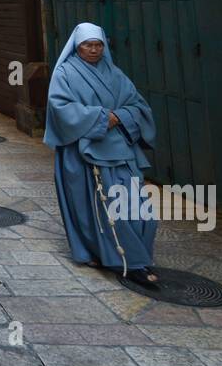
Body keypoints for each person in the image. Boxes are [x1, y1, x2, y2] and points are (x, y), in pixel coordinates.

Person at [43, 22, 159, 286]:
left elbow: (138, 105)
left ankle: (135, 254)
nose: (93, 50)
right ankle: (127, 261)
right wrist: (98, 118)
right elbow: (60, 108)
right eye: (88, 45)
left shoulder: (115, 73)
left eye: (98, 45)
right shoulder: (65, 73)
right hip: (83, 152)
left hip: (120, 150)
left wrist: (118, 116)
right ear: (77, 46)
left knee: (137, 206)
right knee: (93, 207)